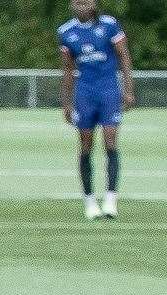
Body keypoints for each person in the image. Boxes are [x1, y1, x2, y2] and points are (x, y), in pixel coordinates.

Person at [58, 0, 133, 220]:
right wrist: (66, 102)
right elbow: (68, 70)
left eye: (86, 2)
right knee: (85, 146)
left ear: (93, 4)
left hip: (109, 90)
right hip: (85, 93)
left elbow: (124, 57)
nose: (82, 6)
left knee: (110, 143)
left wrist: (128, 90)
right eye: (77, 2)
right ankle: (89, 200)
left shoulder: (109, 25)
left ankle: (111, 198)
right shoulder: (66, 31)